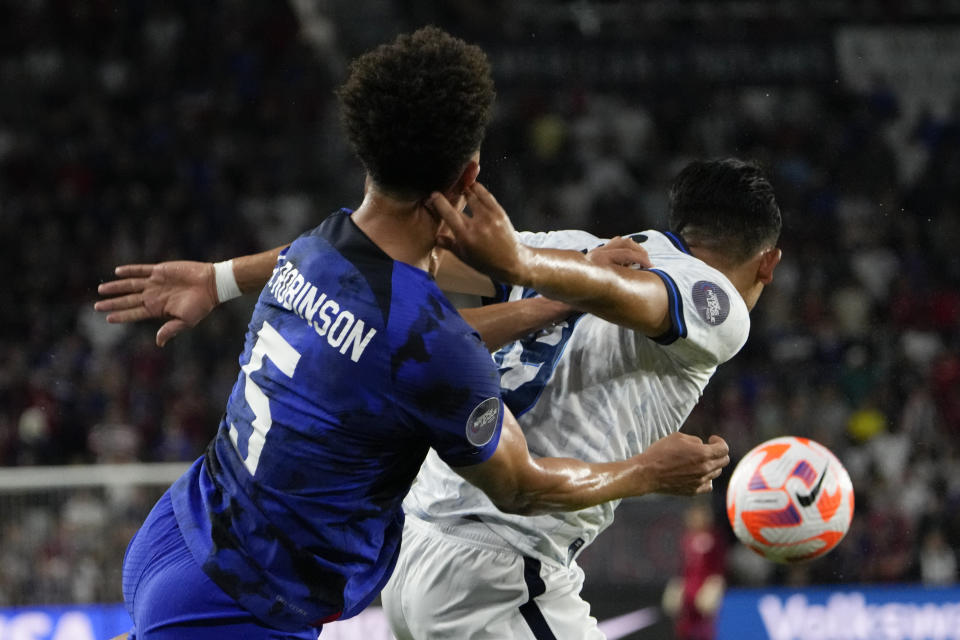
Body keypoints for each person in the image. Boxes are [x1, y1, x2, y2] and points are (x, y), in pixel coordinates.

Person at [98, 27, 730, 640]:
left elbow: (410, 346)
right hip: (242, 601)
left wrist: (553, 304)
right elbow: (520, 485)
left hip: (179, 533)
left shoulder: (318, 250)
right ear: (468, 177)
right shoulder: (426, 343)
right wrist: (646, 473)